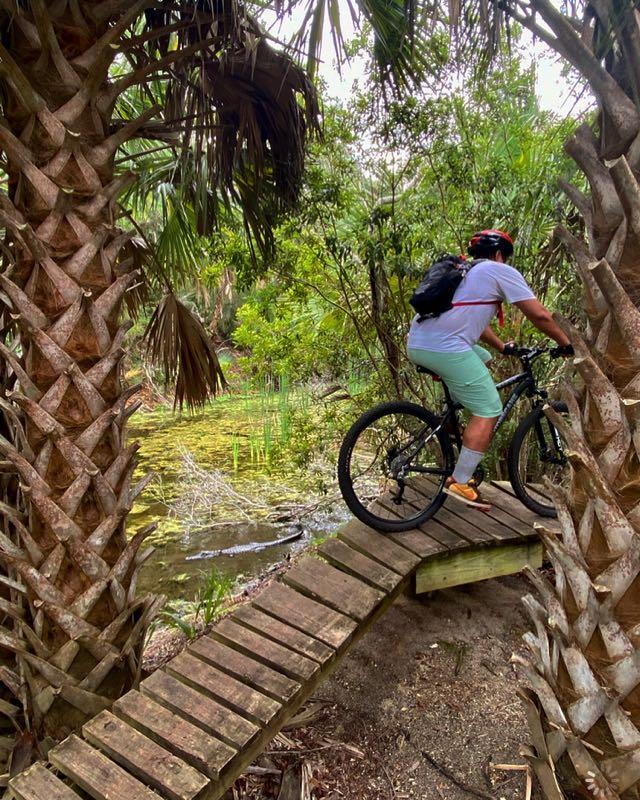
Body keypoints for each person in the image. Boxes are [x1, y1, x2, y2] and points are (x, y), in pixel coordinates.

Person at [407, 229, 572, 510]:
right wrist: (566, 343)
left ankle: (451, 419)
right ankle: (460, 481)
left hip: (420, 342)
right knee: (488, 409)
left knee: (483, 358)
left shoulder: (466, 272)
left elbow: (473, 321)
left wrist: (501, 347)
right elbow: (539, 315)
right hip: (445, 347)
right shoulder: (498, 270)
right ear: (499, 255)